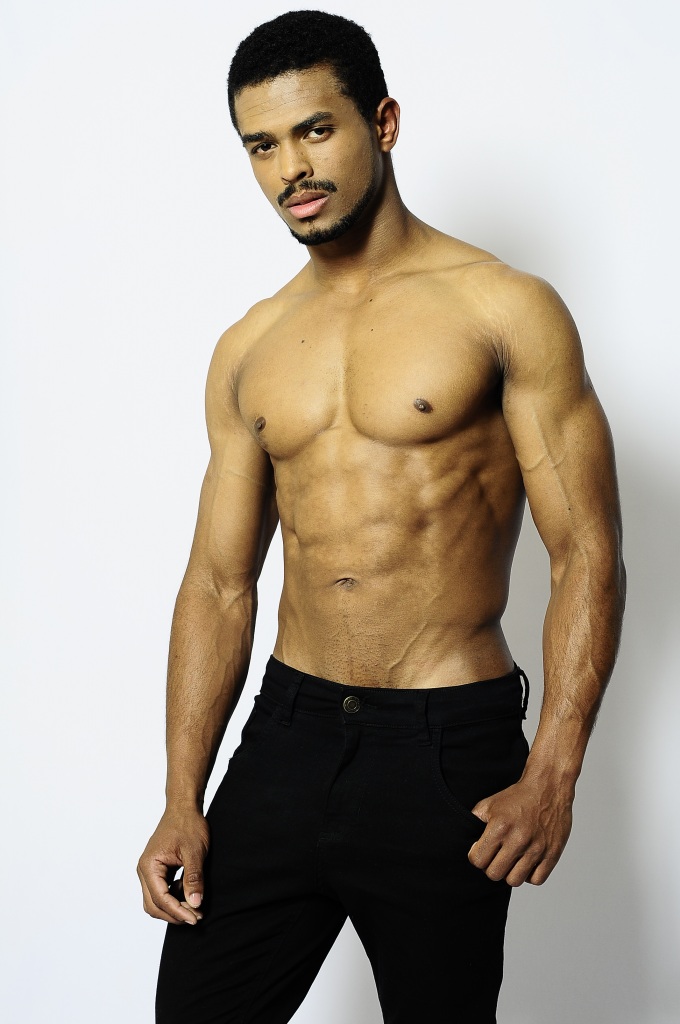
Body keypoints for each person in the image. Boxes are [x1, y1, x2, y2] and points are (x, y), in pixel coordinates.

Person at [137, 10, 626, 1023]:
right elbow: (219, 584)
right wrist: (182, 796)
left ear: (383, 123)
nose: (291, 169)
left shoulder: (502, 308)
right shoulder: (248, 346)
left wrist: (553, 770)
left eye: (315, 130)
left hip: (443, 747)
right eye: (262, 146)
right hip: (284, 736)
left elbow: (585, 551)